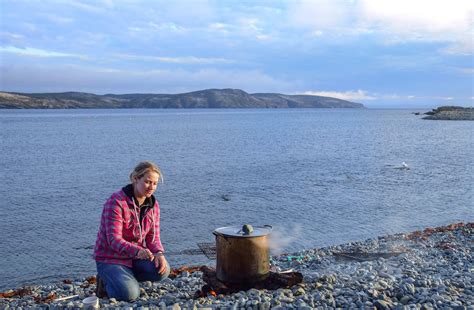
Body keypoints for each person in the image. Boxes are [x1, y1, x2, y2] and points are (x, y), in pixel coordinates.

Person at [93, 161, 170, 301]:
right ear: (135, 179)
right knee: (129, 295)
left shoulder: (153, 205)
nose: (151, 187)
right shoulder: (116, 202)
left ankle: (124, 279)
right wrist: (137, 251)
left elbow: (153, 237)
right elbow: (114, 240)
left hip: (135, 258)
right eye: (147, 182)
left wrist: (159, 253)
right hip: (110, 258)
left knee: (163, 271)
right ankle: (106, 281)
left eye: (155, 183)